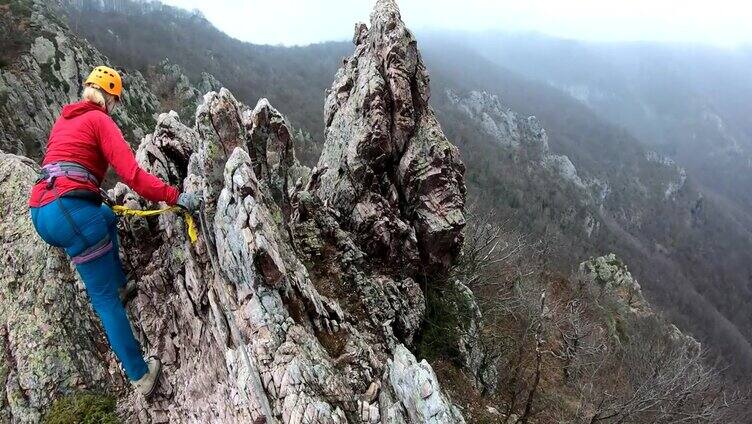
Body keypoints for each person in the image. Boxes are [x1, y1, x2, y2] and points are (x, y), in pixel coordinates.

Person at [27, 66, 201, 398]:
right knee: (103, 300)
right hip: (71, 214)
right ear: (110, 99)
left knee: (106, 215)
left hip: (42, 211)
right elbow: (133, 175)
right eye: (115, 102)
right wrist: (176, 196)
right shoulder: (100, 120)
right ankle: (141, 376)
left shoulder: (65, 120)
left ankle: (121, 285)